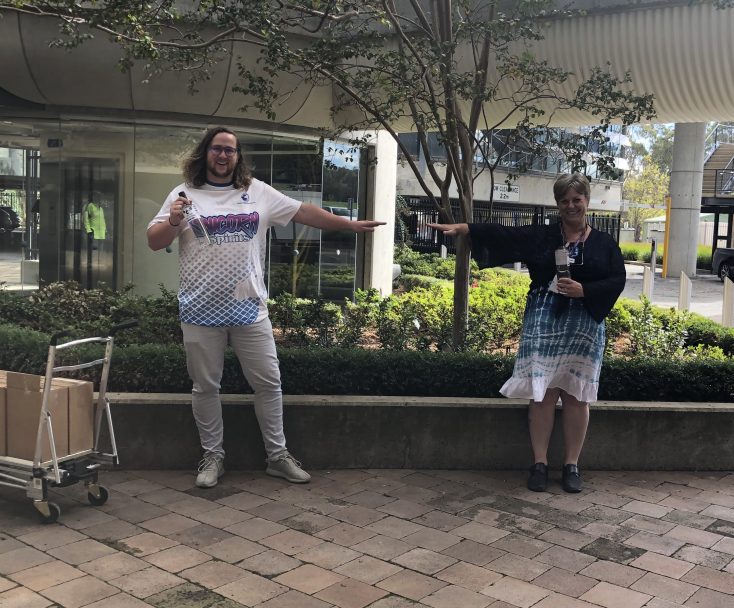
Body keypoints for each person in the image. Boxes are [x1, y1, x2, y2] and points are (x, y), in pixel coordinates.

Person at [147, 126, 384, 488]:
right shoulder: (183, 193)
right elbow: (154, 240)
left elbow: (302, 211)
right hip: (200, 310)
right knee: (205, 387)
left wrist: (347, 225)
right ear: (204, 153)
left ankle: (277, 456)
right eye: (217, 149)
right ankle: (213, 457)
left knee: (269, 384)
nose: (223, 155)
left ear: (238, 156)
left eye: (230, 150)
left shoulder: (255, 191)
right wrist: (175, 218)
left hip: (249, 310)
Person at [428, 173, 625, 493]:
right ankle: (539, 464)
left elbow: (617, 280)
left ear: (587, 200)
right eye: (564, 200)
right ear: (557, 204)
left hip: (584, 325)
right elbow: (507, 233)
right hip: (543, 320)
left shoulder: (604, 244)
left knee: (576, 397)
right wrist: (467, 228)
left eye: (577, 199)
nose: (571, 205)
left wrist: (584, 290)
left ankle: (572, 465)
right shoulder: (544, 236)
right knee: (543, 393)